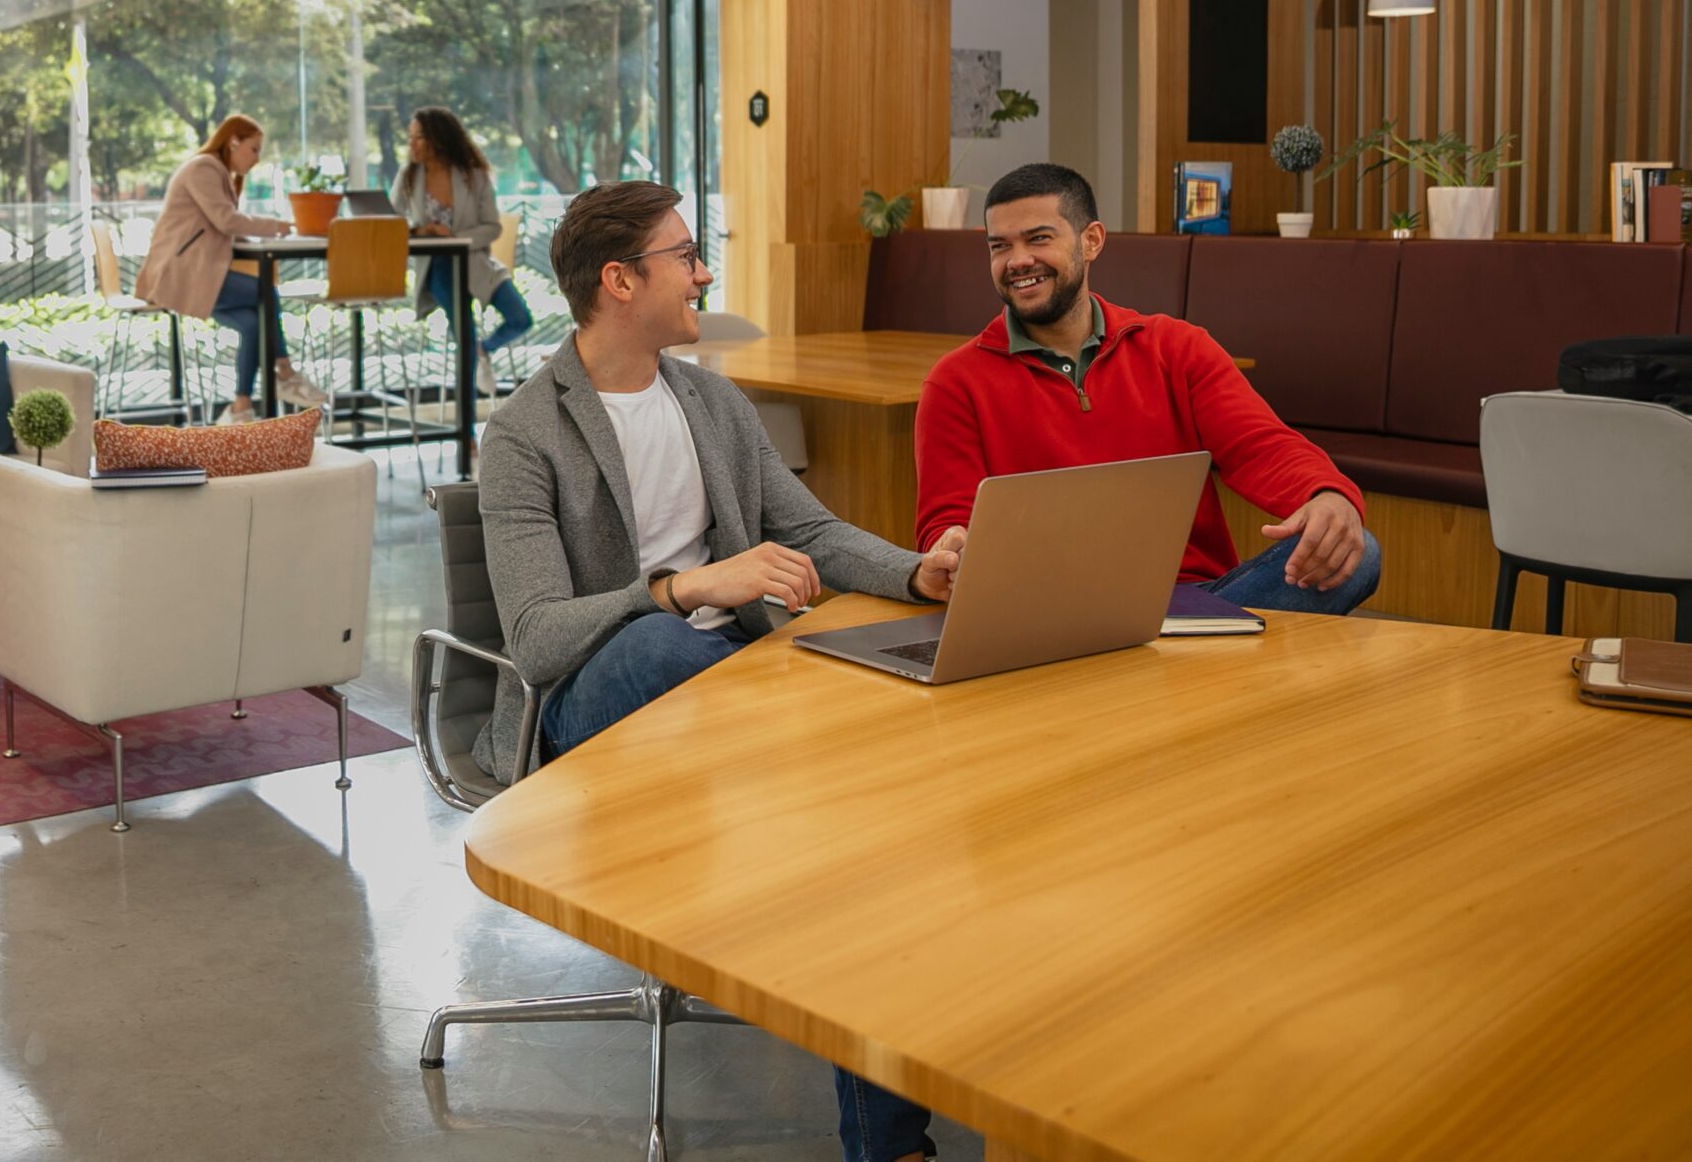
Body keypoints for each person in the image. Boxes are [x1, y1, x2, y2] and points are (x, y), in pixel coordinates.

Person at [475, 179, 961, 1162]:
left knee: (854, 805)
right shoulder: (525, 433)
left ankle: (891, 1140)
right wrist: (680, 588)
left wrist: (918, 571)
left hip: (735, 683)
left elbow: (809, 530)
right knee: (663, 644)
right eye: (684, 256)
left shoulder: (707, 396)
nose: (704, 273)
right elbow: (535, 638)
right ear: (619, 280)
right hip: (593, 699)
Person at [915, 162, 1381, 616]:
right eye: (1000, 246)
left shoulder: (1177, 347)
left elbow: (1261, 447)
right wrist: (954, 549)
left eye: (1038, 238)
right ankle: (1195, 650)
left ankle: (1163, 645)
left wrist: (1327, 496)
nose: (1018, 261)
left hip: (1195, 591)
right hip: (1050, 605)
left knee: (1359, 552)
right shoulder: (955, 382)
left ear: (1091, 240)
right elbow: (946, 521)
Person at [136, 114, 329, 422]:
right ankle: (286, 372)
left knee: (254, 324)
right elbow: (225, 220)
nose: (257, 158)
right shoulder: (203, 168)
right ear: (233, 142)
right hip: (182, 277)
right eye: (254, 149)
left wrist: (267, 230)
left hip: (200, 275)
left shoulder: (215, 171)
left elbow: (222, 225)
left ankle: (240, 407)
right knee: (265, 292)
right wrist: (278, 226)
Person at [393, 106, 534, 396]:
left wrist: (455, 236)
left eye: (419, 137)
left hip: (477, 262)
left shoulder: (474, 176)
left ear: (439, 139)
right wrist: (422, 231)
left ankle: (484, 349)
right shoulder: (408, 176)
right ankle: (467, 432)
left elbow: (492, 228)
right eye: (411, 137)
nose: (412, 144)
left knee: (521, 318)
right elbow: (390, 222)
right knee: (464, 338)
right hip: (438, 267)